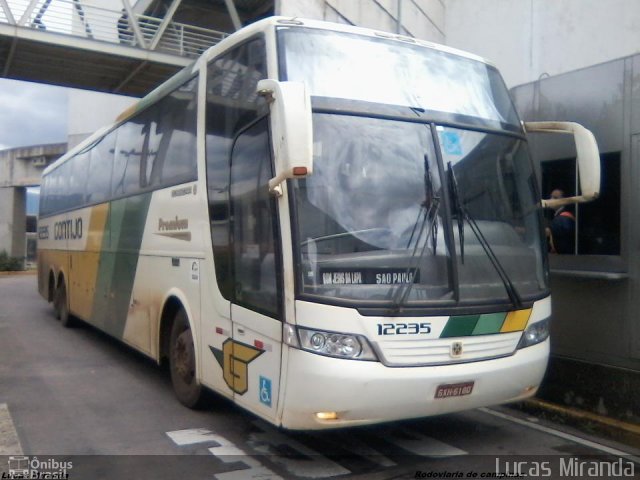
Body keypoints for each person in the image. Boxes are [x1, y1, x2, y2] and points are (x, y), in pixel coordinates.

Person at [546, 188, 576, 254]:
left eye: (555, 198)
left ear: (564, 201)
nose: (551, 200)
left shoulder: (564, 218)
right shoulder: (559, 217)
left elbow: (547, 232)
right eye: (551, 197)